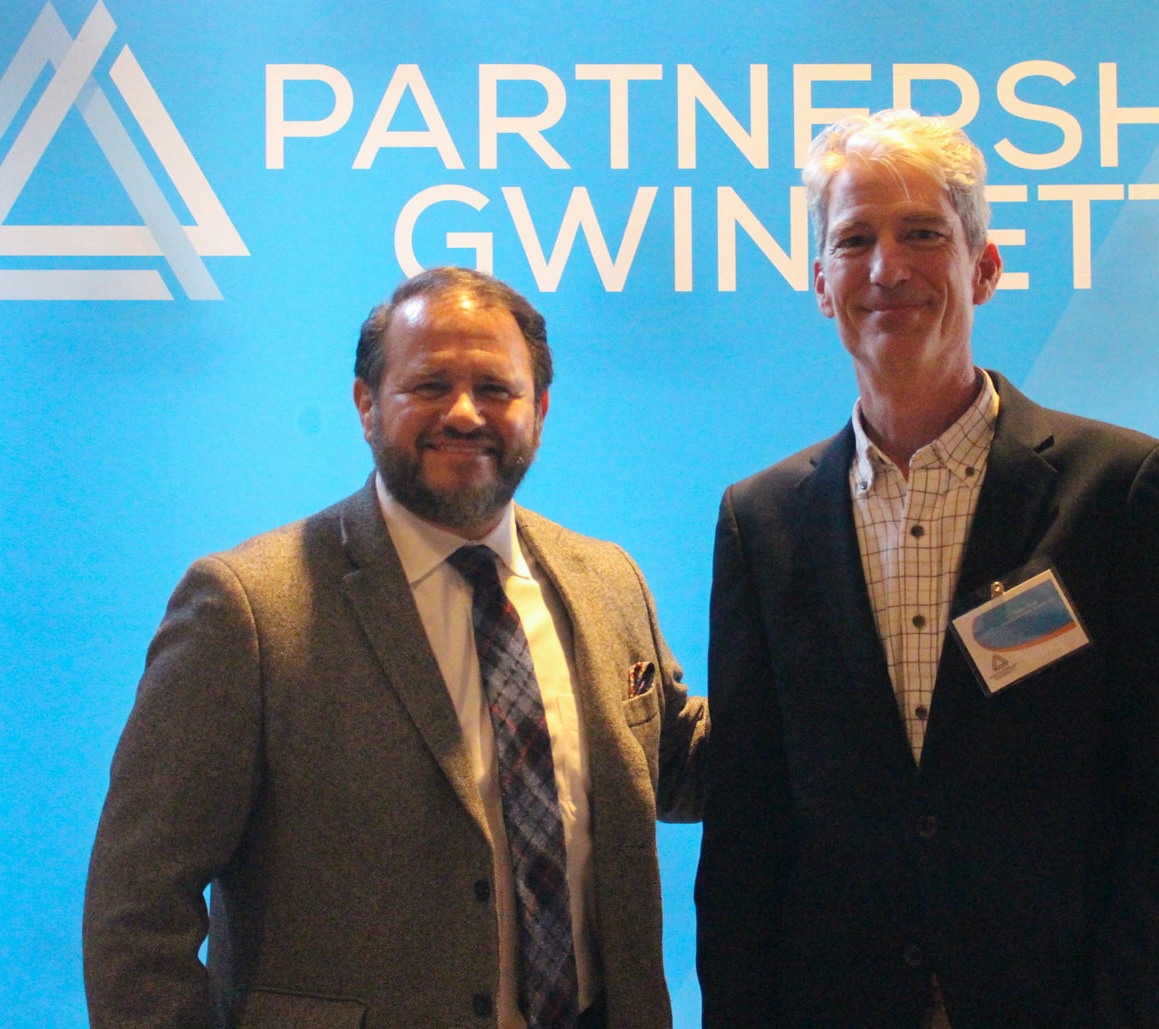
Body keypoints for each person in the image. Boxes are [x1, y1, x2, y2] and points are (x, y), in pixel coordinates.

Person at [694, 111, 1159, 1028]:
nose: (885, 268)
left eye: (923, 234)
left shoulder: (1121, 493)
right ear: (820, 283)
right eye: (852, 239)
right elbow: (747, 837)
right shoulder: (762, 523)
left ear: (984, 266)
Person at [84, 266, 706, 1029]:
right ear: (366, 405)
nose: (465, 412)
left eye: (496, 388)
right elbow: (137, 908)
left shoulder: (608, 581)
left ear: (540, 410)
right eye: (429, 385)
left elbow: (675, 760)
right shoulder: (246, 608)